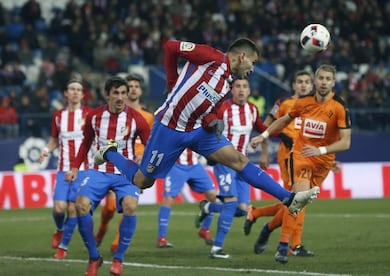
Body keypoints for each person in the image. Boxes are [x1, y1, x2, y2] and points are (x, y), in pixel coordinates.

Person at [89, 38, 320, 259]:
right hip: (169, 128)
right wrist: (171, 82)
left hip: (197, 131)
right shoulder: (210, 57)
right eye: (253, 62)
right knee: (142, 181)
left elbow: (211, 111)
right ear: (241, 56)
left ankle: (290, 199)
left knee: (239, 160)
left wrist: (213, 121)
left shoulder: (227, 84)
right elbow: (171, 47)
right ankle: (109, 152)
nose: (253, 69)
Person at [250, 64, 352, 264]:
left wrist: (322, 152)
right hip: (300, 156)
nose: (323, 82)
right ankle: (283, 247)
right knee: (299, 198)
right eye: (320, 78)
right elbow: (282, 121)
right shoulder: (302, 102)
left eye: (327, 79)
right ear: (316, 80)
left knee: (300, 202)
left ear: (333, 82)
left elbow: (345, 142)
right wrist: (263, 135)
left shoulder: (339, 107)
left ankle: (267, 227)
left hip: (322, 161)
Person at [64, 76, 150, 276]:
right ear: (107, 95)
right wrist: (75, 167)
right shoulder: (94, 117)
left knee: (130, 205)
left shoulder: (136, 119)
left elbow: (149, 145)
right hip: (99, 172)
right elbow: (86, 143)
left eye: (123, 93)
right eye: (116, 93)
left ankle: (118, 259)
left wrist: (144, 170)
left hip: (125, 174)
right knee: (81, 204)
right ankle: (94, 257)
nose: (120, 97)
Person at [194, 78, 271, 258]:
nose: (241, 90)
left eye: (245, 86)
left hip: (242, 164)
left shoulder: (253, 109)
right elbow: (208, 128)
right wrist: (210, 154)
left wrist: (265, 151)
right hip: (224, 162)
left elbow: (263, 129)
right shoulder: (223, 109)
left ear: (249, 90)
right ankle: (217, 248)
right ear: (232, 90)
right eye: (238, 86)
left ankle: (209, 208)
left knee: (242, 209)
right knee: (230, 203)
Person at [244, 70, 316, 255]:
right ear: (293, 85)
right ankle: (295, 245)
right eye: (299, 81)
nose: (303, 85)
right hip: (288, 156)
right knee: (298, 199)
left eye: (307, 82)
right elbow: (265, 126)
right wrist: (265, 152)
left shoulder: (315, 105)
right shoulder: (282, 103)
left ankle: (258, 216)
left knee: (298, 200)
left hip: (309, 156)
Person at [95, 74, 154, 254]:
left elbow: (150, 142)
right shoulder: (112, 115)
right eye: (131, 86)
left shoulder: (147, 117)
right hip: (111, 164)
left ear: (141, 91)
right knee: (111, 207)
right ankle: (103, 226)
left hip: (135, 169)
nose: (134, 89)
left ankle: (117, 241)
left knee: (129, 204)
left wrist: (144, 160)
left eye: (137, 86)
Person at [38, 80, 93, 259]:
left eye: (79, 90)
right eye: (72, 89)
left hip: (83, 170)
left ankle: (63, 247)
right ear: (66, 93)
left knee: (72, 208)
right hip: (63, 169)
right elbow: (54, 140)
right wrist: (46, 151)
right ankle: (59, 229)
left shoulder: (90, 115)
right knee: (59, 208)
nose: (75, 92)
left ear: (83, 95)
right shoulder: (58, 116)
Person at [157, 149, 217, 248]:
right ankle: (161, 238)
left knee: (214, 197)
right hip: (175, 166)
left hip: (195, 166)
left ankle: (205, 230)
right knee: (168, 199)